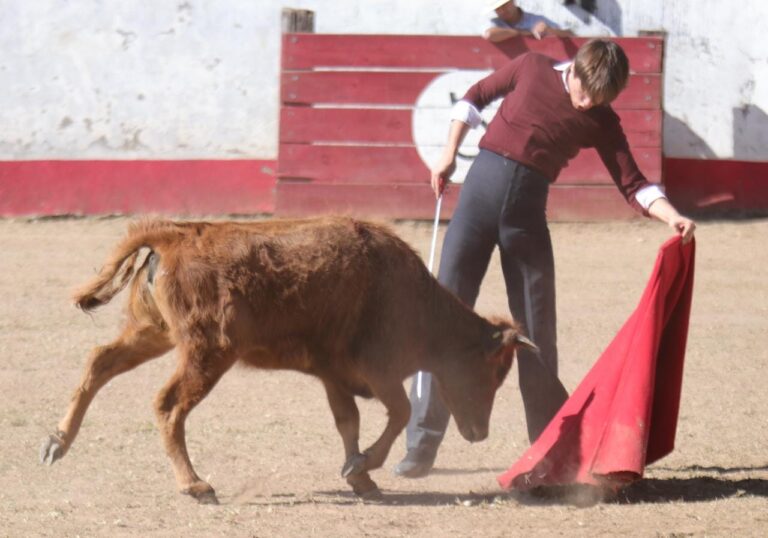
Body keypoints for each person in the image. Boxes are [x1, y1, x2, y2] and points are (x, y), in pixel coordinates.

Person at [394, 39, 696, 479]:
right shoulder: (532, 67)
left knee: (537, 336)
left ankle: (551, 452)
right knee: (440, 321)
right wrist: (446, 155)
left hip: (526, 222)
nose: (588, 103)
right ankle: (421, 445)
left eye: (599, 98)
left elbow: (633, 183)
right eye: (585, 92)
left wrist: (672, 216)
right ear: (572, 69)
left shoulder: (601, 119)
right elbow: (474, 98)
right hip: (474, 208)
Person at [483, 0, 574, 42]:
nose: (502, 10)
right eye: (497, 8)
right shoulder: (494, 23)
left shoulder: (536, 19)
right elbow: (490, 35)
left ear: (513, 1)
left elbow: (570, 34)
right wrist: (527, 32)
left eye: (505, 5)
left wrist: (550, 30)